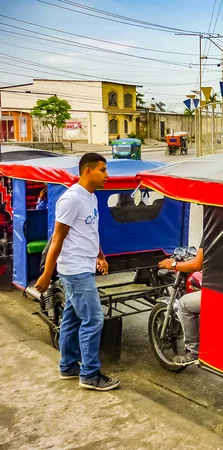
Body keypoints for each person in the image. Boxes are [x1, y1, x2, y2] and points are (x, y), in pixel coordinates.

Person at [34, 153, 120, 391]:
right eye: (103, 170)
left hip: (84, 265)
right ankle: (89, 374)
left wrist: (100, 256)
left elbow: (89, 231)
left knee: (72, 319)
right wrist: (46, 274)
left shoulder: (90, 197)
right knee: (93, 319)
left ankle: (68, 365)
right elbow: (57, 238)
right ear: (87, 171)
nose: (107, 175)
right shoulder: (71, 199)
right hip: (75, 270)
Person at [157, 224, 223, 366]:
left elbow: (197, 265)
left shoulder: (214, 231)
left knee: (185, 304)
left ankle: (193, 351)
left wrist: (172, 264)